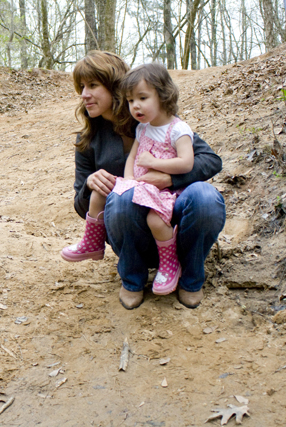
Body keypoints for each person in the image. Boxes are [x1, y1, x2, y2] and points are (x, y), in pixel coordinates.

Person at [60, 51, 225, 310]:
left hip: (173, 224)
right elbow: (81, 206)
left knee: (206, 196)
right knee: (122, 197)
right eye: (81, 87)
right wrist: (91, 183)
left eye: (92, 85)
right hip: (132, 235)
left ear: (115, 87)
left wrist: (168, 178)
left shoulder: (153, 119)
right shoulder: (88, 141)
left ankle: (190, 277)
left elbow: (210, 160)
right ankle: (132, 279)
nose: (84, 95)